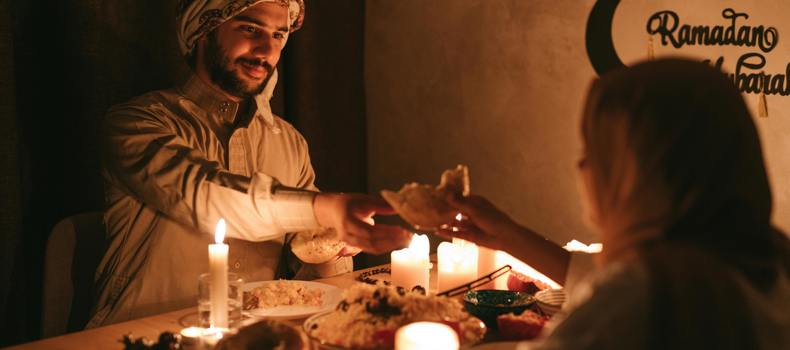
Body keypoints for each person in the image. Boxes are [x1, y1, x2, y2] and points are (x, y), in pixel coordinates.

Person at [88, 0, 410, 327]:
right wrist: (322, 207)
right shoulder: (137, 123)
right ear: (204, 29)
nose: (266, 49)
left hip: (256, 338)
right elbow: (204, 193)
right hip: (138, 336)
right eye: (250, 28)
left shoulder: (288, 141)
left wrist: (331, 250)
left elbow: (311, 278)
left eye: (279, 36)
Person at [439, 59, 790, 349]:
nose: (582, 168)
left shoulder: (640, 298)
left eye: (595, 153)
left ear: (644, 174)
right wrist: (508, 235)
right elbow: (604, 277)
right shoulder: (768, 264)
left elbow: (624, 294)